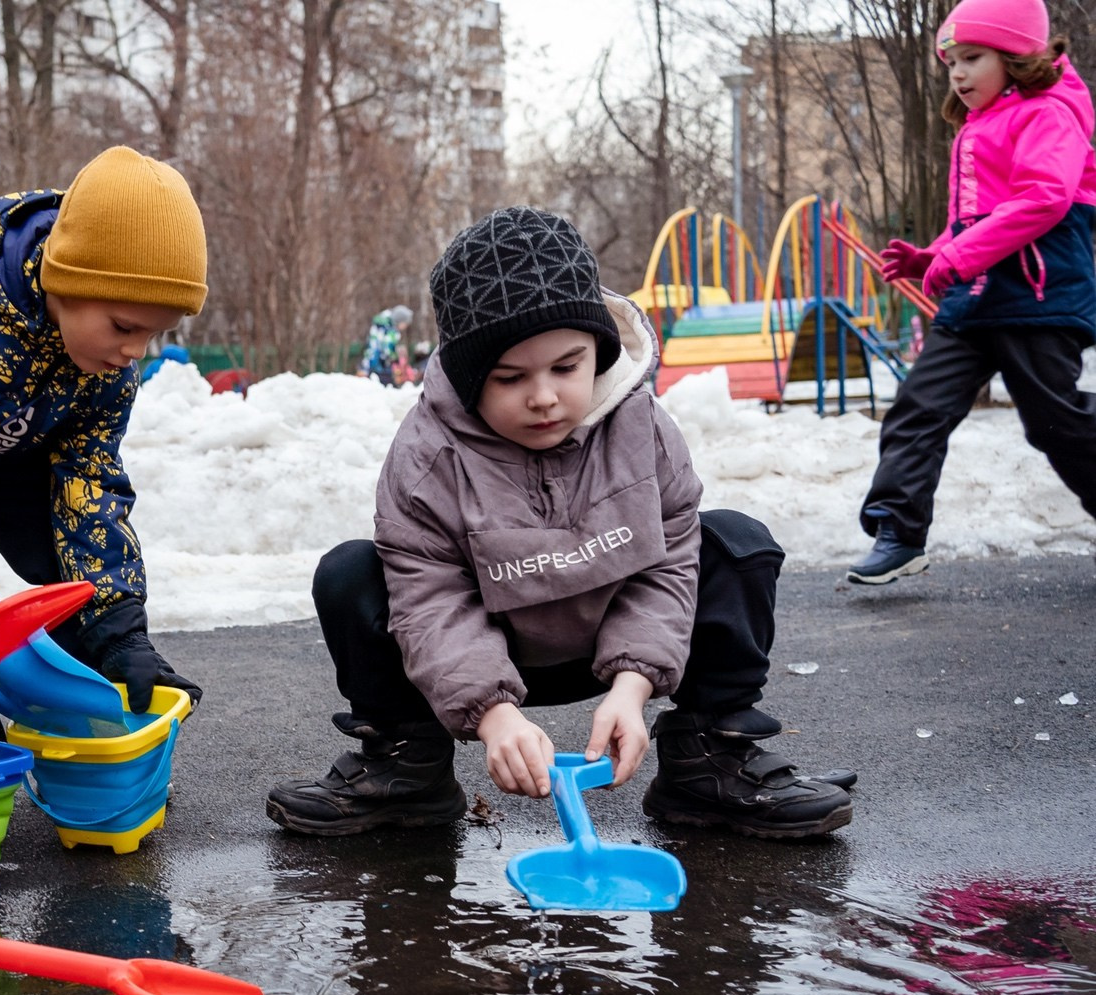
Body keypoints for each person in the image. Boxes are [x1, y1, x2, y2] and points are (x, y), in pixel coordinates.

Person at [267, 207, 855, 840]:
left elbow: (669, 563)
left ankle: (708, 757)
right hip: (492, 647)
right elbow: (430, 597)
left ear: (597, 353)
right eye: (510, 378)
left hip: (609, 639)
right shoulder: (426, 456)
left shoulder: (644, 428)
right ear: (469, 381)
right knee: (352, 574)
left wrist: (632, 688)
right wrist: (492, 715)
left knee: (734, 543)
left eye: (566, 367)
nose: (544, 396)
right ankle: (407, 767)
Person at [0, 145, 209, 737]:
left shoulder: (107, 372)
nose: (134, 352)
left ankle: (91, 716)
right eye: (124, 327)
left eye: (154, 335)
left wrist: (121, 628)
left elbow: (90, 488)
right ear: (65, 281)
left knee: (75, 577)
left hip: (15, 451)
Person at [855, 0, 1096, 583]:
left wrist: (959, 257)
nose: (957, 74)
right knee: (918, 408)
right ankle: (899, 530)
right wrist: (934, 254)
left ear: (1016, 58)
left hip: (1038, 297)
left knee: (1054, 422)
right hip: (973, 300)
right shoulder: (978, 126)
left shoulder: (1048, 114)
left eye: (971, 58)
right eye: (949, 62)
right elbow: (977, 218)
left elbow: (1043, 200)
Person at [358, 305, 414, 385]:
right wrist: (395, 357)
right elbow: (387, 348)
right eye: (405, 323)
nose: (405, 326)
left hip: (370, 361)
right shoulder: (390, 331)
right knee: (384, 384)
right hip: (380, 364)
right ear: (399, 320)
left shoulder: (380, 326)